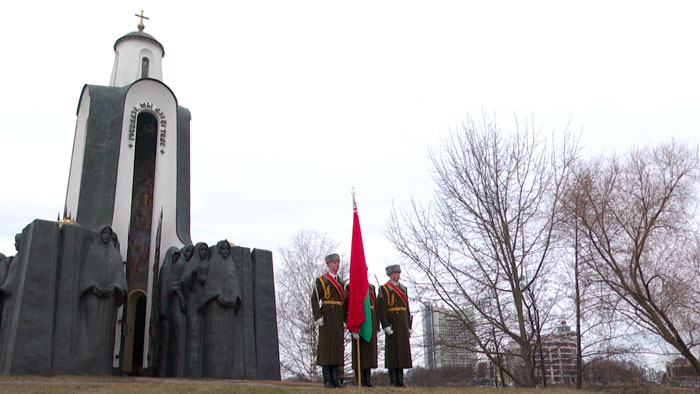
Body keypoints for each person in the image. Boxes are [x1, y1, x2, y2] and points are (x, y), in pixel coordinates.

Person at [311, 253, 346, 388]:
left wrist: (344, 318)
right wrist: (318, 316)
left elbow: (343, 302)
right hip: (326, 316)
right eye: (334, 263)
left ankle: (335, 379)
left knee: (337, 348)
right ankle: (327, 379)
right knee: (326, 348)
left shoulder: (341, 282)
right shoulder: (322, 280)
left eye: (338, 262)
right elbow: (315, 299)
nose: (336, 265)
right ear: (328, 265)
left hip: (337, 317)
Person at [377, 264, 412, 387]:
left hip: (402, 323)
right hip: (392, 322)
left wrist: (409, 325)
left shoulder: (403, 289)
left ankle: (400, 380)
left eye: (399, 273)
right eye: (396, 273)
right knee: (393, 352)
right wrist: (385, 325)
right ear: (390, 274)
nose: (398, 275)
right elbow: (381, 308)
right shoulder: (384, 288)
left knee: (402, 352)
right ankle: (393, 380)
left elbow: (407, 308)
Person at [345, 282, 378, 387]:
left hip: (370, 320)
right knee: (359, 351)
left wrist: (377, 323)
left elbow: (375, 306)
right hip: (358, 320)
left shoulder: (371, 287)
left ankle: (367, 379)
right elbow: (347, 305)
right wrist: (349, 325)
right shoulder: (351, 286)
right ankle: (359, 379)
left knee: (369, 351)